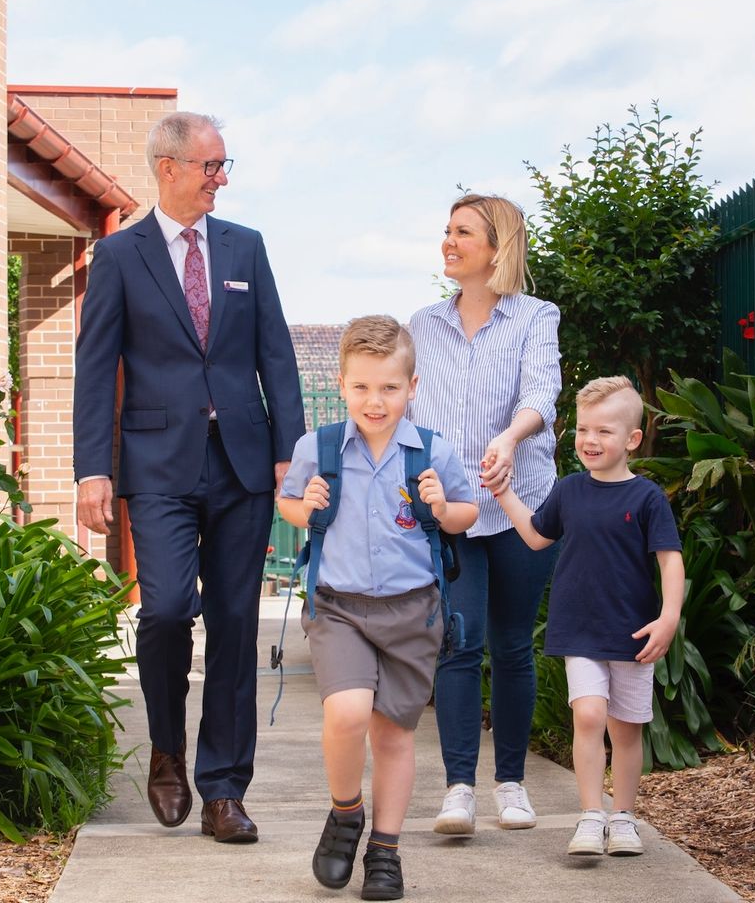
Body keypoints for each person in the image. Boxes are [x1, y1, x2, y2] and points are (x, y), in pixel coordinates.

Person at [73, 111, 305, 843]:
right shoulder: (118, 256)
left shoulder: (246, 247)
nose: (221, 179)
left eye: (224, 165)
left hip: (242, 462)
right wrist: (91, 470)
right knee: (168, 608)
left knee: (236, 625)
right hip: (157, 465)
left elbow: (277, 354)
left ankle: (224, 790)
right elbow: (95, 368)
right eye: (211, 166)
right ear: (167, 167)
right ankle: (167, 749)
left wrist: (289, 452)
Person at [278, 315, 478, 900]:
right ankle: (346, 812)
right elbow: (290, 504)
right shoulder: (315, 448)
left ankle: (385, 850)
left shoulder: (433, 450)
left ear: (411, 388)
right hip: (337, 606)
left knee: (393, 736)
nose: (375, 400)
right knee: (345, 713)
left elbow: (467, 515)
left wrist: (443, 507)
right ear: (342, 385)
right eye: (362, 387)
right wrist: (303, 504)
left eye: (389, 388)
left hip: (413, 611)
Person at [408, 193, 561, 834]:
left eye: (463, 232)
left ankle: (512, 784)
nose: (448, 240)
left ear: (496, 248)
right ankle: (459, 788)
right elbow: (410, 416)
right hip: (454, 510)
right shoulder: (421, 325)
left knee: (512, 645)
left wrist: (509, 439)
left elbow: (541, 393)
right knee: (458, 645)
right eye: (446, 230)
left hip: (521, 504)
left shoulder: (534, 316)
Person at [494, 376, 685, 856]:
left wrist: (668, 619)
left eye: (604, 431)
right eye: (583, 430)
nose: (590, 440)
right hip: (579, 630)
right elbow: (537, 536)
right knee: (590, 715)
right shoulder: (569, 490)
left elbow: (670, 560)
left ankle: (623, 817)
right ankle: (589, 815)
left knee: (625, 729)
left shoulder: (647, 498)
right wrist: (503, 495)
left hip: (633, 633)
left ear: (633, 440)